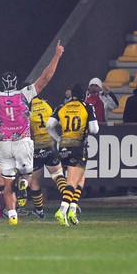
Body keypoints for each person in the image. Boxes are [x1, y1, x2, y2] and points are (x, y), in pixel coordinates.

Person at [0, 40, 64, 225]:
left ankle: (12, 216)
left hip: (4, 143)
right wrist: (56, 57)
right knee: (26, 175)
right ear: (15, 83)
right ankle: (23, 182)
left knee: (7, 183)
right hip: (23, 140)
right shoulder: (25, 94)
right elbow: (44, 79)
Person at [47, 83, 99, 226]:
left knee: (80, 179)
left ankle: (73, 208)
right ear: (85, 94)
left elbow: (49, 125)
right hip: (78, 146)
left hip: (63, 147)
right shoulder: (87, 107)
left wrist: (58, 139)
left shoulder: (62, 107)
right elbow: (94, 129)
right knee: (72, 182)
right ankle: (62, 210)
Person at [29, 95, 68, 219]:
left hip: (35, 148)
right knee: (58, 176)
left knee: (34, 182)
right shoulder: (46, 105)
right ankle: (69, 201)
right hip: (50, 146)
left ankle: (39, 211)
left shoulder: (26, 107)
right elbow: (56, 122)